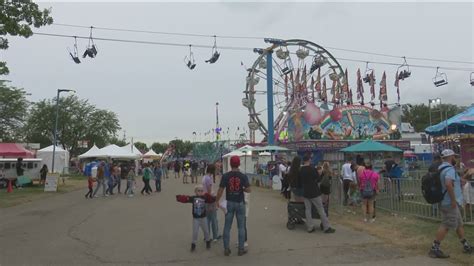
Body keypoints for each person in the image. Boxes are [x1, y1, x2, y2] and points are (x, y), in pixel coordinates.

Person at [429, 149, 473, 258]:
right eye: (454, 157)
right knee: (446, 225)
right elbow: (448, 184)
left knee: (458, 224)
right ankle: (435, 248)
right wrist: (453, 200)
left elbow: (457, 182)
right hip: (449, 202)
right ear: (450, 157)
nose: (456, 159)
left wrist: (465, 176)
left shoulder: (442, 168)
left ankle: (466, 245)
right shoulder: (449, 169)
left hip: (447, 201)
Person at [216, 156, 251, 256]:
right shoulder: (243, 176)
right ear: (239, 164)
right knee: (241, 227)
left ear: (230, 164)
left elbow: (220, 190)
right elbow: (249, 190)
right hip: (240, 203)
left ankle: (226, 249)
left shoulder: (226, 176)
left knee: (227, 226)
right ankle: (241, 249)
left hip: (229, 203)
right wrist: (242, 189)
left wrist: (216, 201)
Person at [299, 155, 335, 234]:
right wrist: (319, 174)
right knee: (321, 210)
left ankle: (310, 227)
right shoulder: (312, 169)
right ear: (309, 160)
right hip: (314, 192)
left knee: (308, 210)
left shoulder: (301, 170)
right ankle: (326, 227)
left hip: (306, 192)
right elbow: (318, 179)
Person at [176, 185, 215, 252]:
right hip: (196, 219)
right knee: (195, 232)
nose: (200, 192)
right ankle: (193, 244)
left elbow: (211, 200)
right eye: (198, 191)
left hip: (203, 218)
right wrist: (179, 197)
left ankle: (208, 241)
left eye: (201, 191)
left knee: (206, 231)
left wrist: (214, 197)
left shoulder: (205, 197)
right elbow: (186, 198)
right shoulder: (193, 198)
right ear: (195, 192)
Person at [202, 164, 221, 242]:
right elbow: (209, 191)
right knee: (213, 219)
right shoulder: (209, 179)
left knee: (207, 219)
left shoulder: (204, 177)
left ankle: (207, 235)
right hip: (210, 200)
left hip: (205, 199)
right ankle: (215, 236)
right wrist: (216, 200)